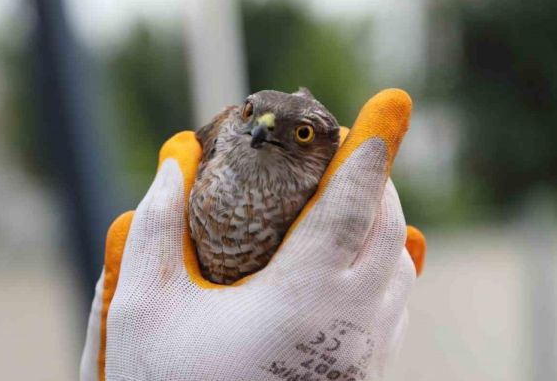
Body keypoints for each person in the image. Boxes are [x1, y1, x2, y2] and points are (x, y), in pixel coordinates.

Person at [80, 89, 425, 380]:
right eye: (249, 113)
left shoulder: (330, 210)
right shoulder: (204, 172)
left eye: (302, 133)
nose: (261, 129)